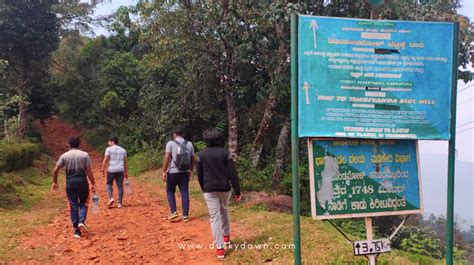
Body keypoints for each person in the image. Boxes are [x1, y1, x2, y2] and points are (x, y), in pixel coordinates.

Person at [196, 129, 241, 260]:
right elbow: (232, 173)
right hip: (224, 187)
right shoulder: (225, 153)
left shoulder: (201, 155)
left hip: (209, 188)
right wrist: (237, 191)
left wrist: (203, 187)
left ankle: (220, 249)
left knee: (214, 217)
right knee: (224, 210)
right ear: (219, 139)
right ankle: (226, 237)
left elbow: (200, 174)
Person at [51, 136, 96, 238]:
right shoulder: (85, 155)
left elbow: (55, 170)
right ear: (79, 144)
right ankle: (81, 221)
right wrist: (93, 183)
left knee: (73, 205)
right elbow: (89, 171)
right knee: (84, 202)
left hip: (70, 183)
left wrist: (55, 182)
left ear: (69, 144)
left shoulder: (64, 156)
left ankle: (76, 230)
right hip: (82, 182)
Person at [162, 127, 195, 222]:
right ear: (182, 134)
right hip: (185, 172)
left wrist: (164, 171)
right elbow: (193, 158)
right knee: (184, 192)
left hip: (173, 172)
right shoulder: (189, 144)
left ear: (174, 134)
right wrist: (191, 170)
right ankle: (185, 216)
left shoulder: (170, 143)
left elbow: (167, 157)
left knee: (170, 190)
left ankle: (173, 212)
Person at [101, 136, 128, 208]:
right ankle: (120, 203)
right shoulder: (123, 150)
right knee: (120, 186)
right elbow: (125, 162)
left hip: (111, 170)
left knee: (109, 184)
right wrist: (126, 172)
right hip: (120, 169)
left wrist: (103, 169)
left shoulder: (108, 149)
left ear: (112, 141)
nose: (108, 143)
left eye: (109, 141)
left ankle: (111, 198)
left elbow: (105, 159)